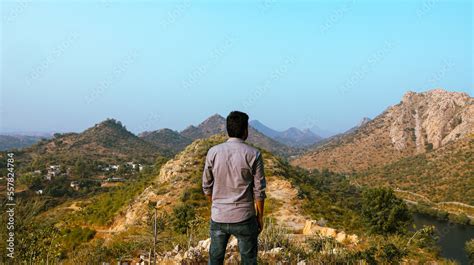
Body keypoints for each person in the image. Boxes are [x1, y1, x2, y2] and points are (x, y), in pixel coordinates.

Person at [202, 111, 266, 265]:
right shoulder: (254, 154)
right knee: (249, 260)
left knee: (215, 260)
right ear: (245, 131)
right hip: (244, 217)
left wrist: (217, 204)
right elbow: (259, 190)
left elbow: (206, 186)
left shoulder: (213, 152)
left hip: (219, 216)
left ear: (228, 129)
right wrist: (260, 217)